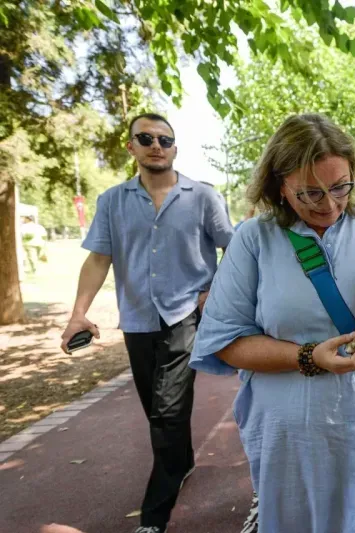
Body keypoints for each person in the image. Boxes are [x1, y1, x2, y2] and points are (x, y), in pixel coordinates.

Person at [189, 113, 355, 533]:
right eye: (310, 193)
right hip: (300, 439)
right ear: (280, 184)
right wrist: (307, 356)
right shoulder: (254, 238)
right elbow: (224, 341)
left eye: (340, 186)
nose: (330, 204)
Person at [59, 112, 234, 533]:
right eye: (146, 138)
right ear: (131, 146)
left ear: (175, 148)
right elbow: (99, 258)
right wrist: (78, 312)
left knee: (168, 412)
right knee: (157, 411)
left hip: (185, 317)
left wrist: (215, 291)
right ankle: (183, 461)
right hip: (136, 320)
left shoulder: (203, 197)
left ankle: (154, 516)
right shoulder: (112, 202)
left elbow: (234, 249)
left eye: (165, 139)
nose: (157, 145)